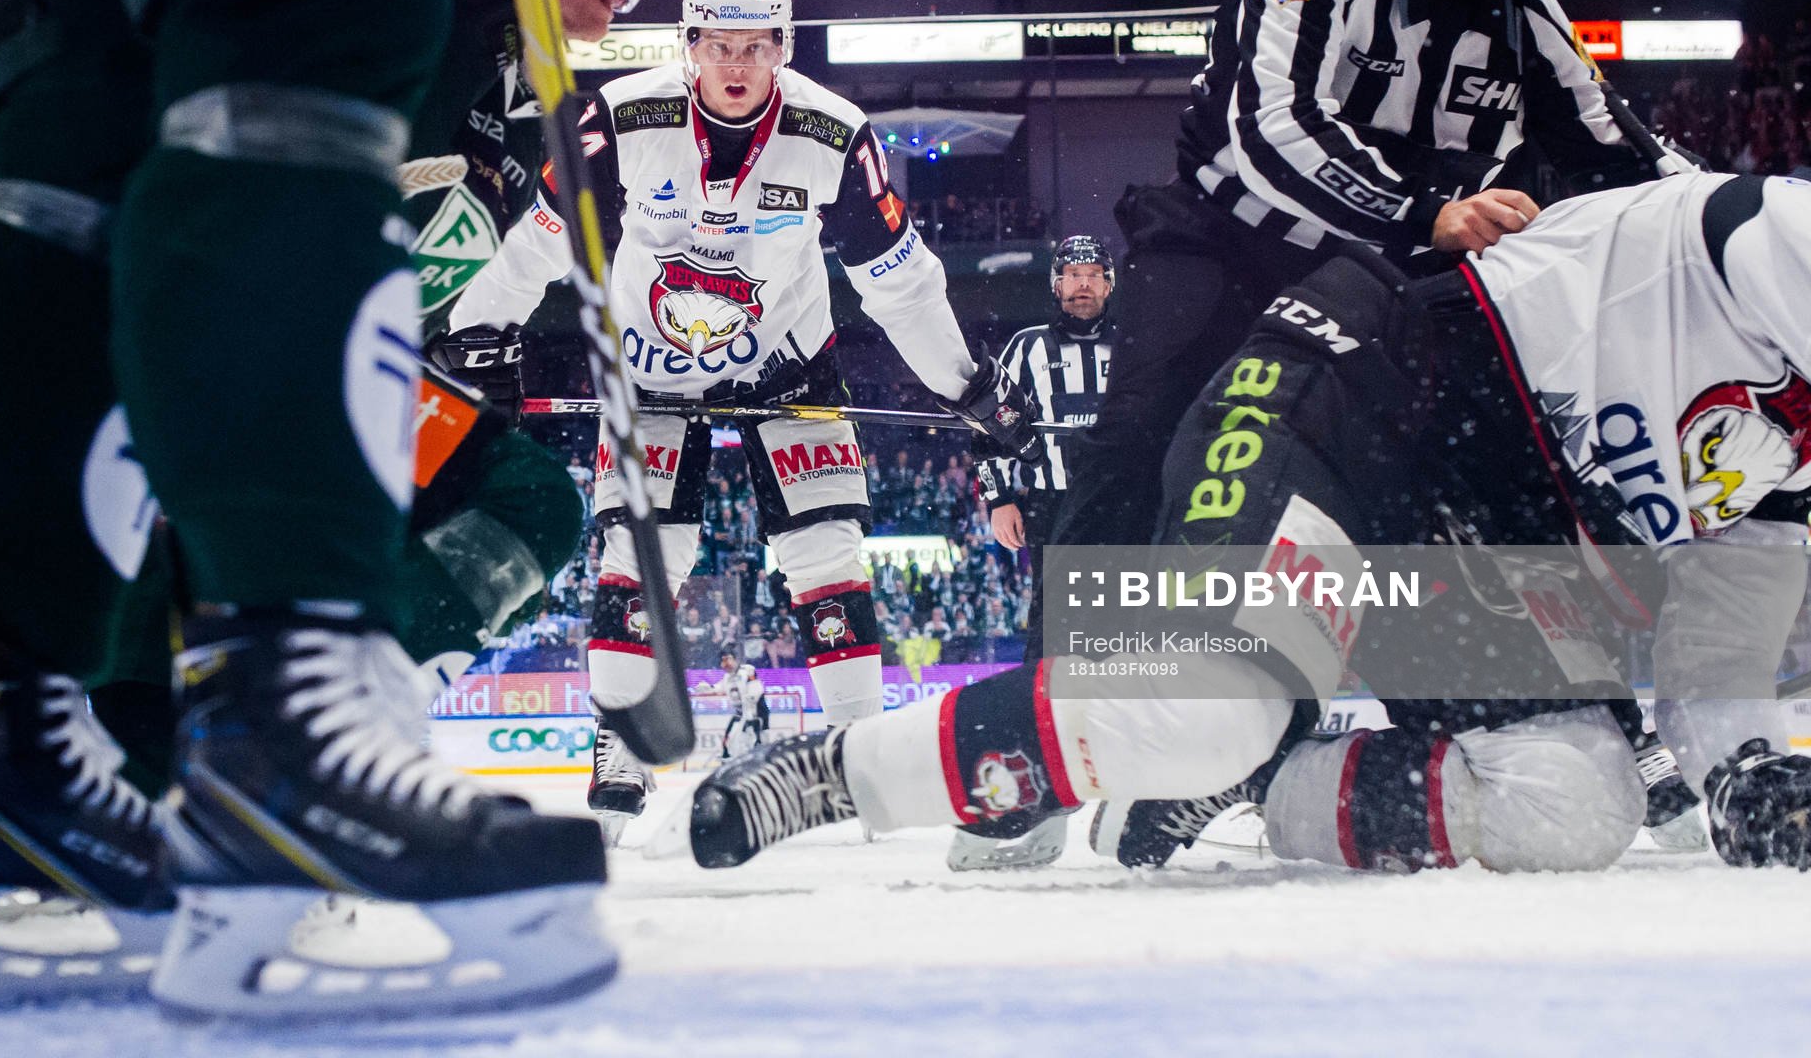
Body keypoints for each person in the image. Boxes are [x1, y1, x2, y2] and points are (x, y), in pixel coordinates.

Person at [0, 0, 694, 1017]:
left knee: (89, 116)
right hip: (241, 323)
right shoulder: (492, 11)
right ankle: (276, 730)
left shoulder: (522, 83)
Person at [684, 172, 1811, 879]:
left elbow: (1720, 657)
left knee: (1578, 802)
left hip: (1474, 521)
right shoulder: (1779, 235)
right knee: (1210, 704)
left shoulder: (1786, 472)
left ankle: (1267, 780)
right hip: (1352, 392)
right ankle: (837, 771)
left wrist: (1750, 772)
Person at [451, 0, 1044, 842]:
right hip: (647, 371)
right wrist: (474, 338)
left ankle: (855, 753)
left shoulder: (835, 133)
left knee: (826, 552)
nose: (737, 63)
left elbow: (901, 286)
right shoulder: (616, 118)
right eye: (719, 44)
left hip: (788, 369)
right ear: (688, 45)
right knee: (643, 556)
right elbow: (536, 248)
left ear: (783, 47)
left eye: (757, 45)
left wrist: (967, 386)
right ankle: (619, 744)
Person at [1052, 0, 1698, 570]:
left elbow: (1635, 166)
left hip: (1388, 284)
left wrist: (1756, 224)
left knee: (1452, 482)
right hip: (1226, 241)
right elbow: (1267, 127)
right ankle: (1073, 648)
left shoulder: (1530, 15)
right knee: (1135, 443)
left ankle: (1498, 653)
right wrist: (1423, 213)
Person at [946, 239, 1116, 873]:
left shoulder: (1136, 346)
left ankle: (1131, 789)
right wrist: (999, 497)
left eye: (1093, 275)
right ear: (1055, 283)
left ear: (1109, 283)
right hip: (1057, 508)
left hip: (1128, 505)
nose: (1082, 285)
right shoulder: (1027, 347)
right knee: (1051, 652)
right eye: (1072, 275)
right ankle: (1029, 796)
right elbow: (989, 423)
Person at [719, 654, 769, 759]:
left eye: (728, 659)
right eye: (723, 661)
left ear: (735, 660)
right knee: (732, 739)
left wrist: (750, 701)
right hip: (741, 714)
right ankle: (730, 757)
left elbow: (756, 689)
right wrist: (709, 688)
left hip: (756, 714)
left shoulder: (747, 670)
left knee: (758, 742)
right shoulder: (727, 677)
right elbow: (721, 686)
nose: (726, 664)